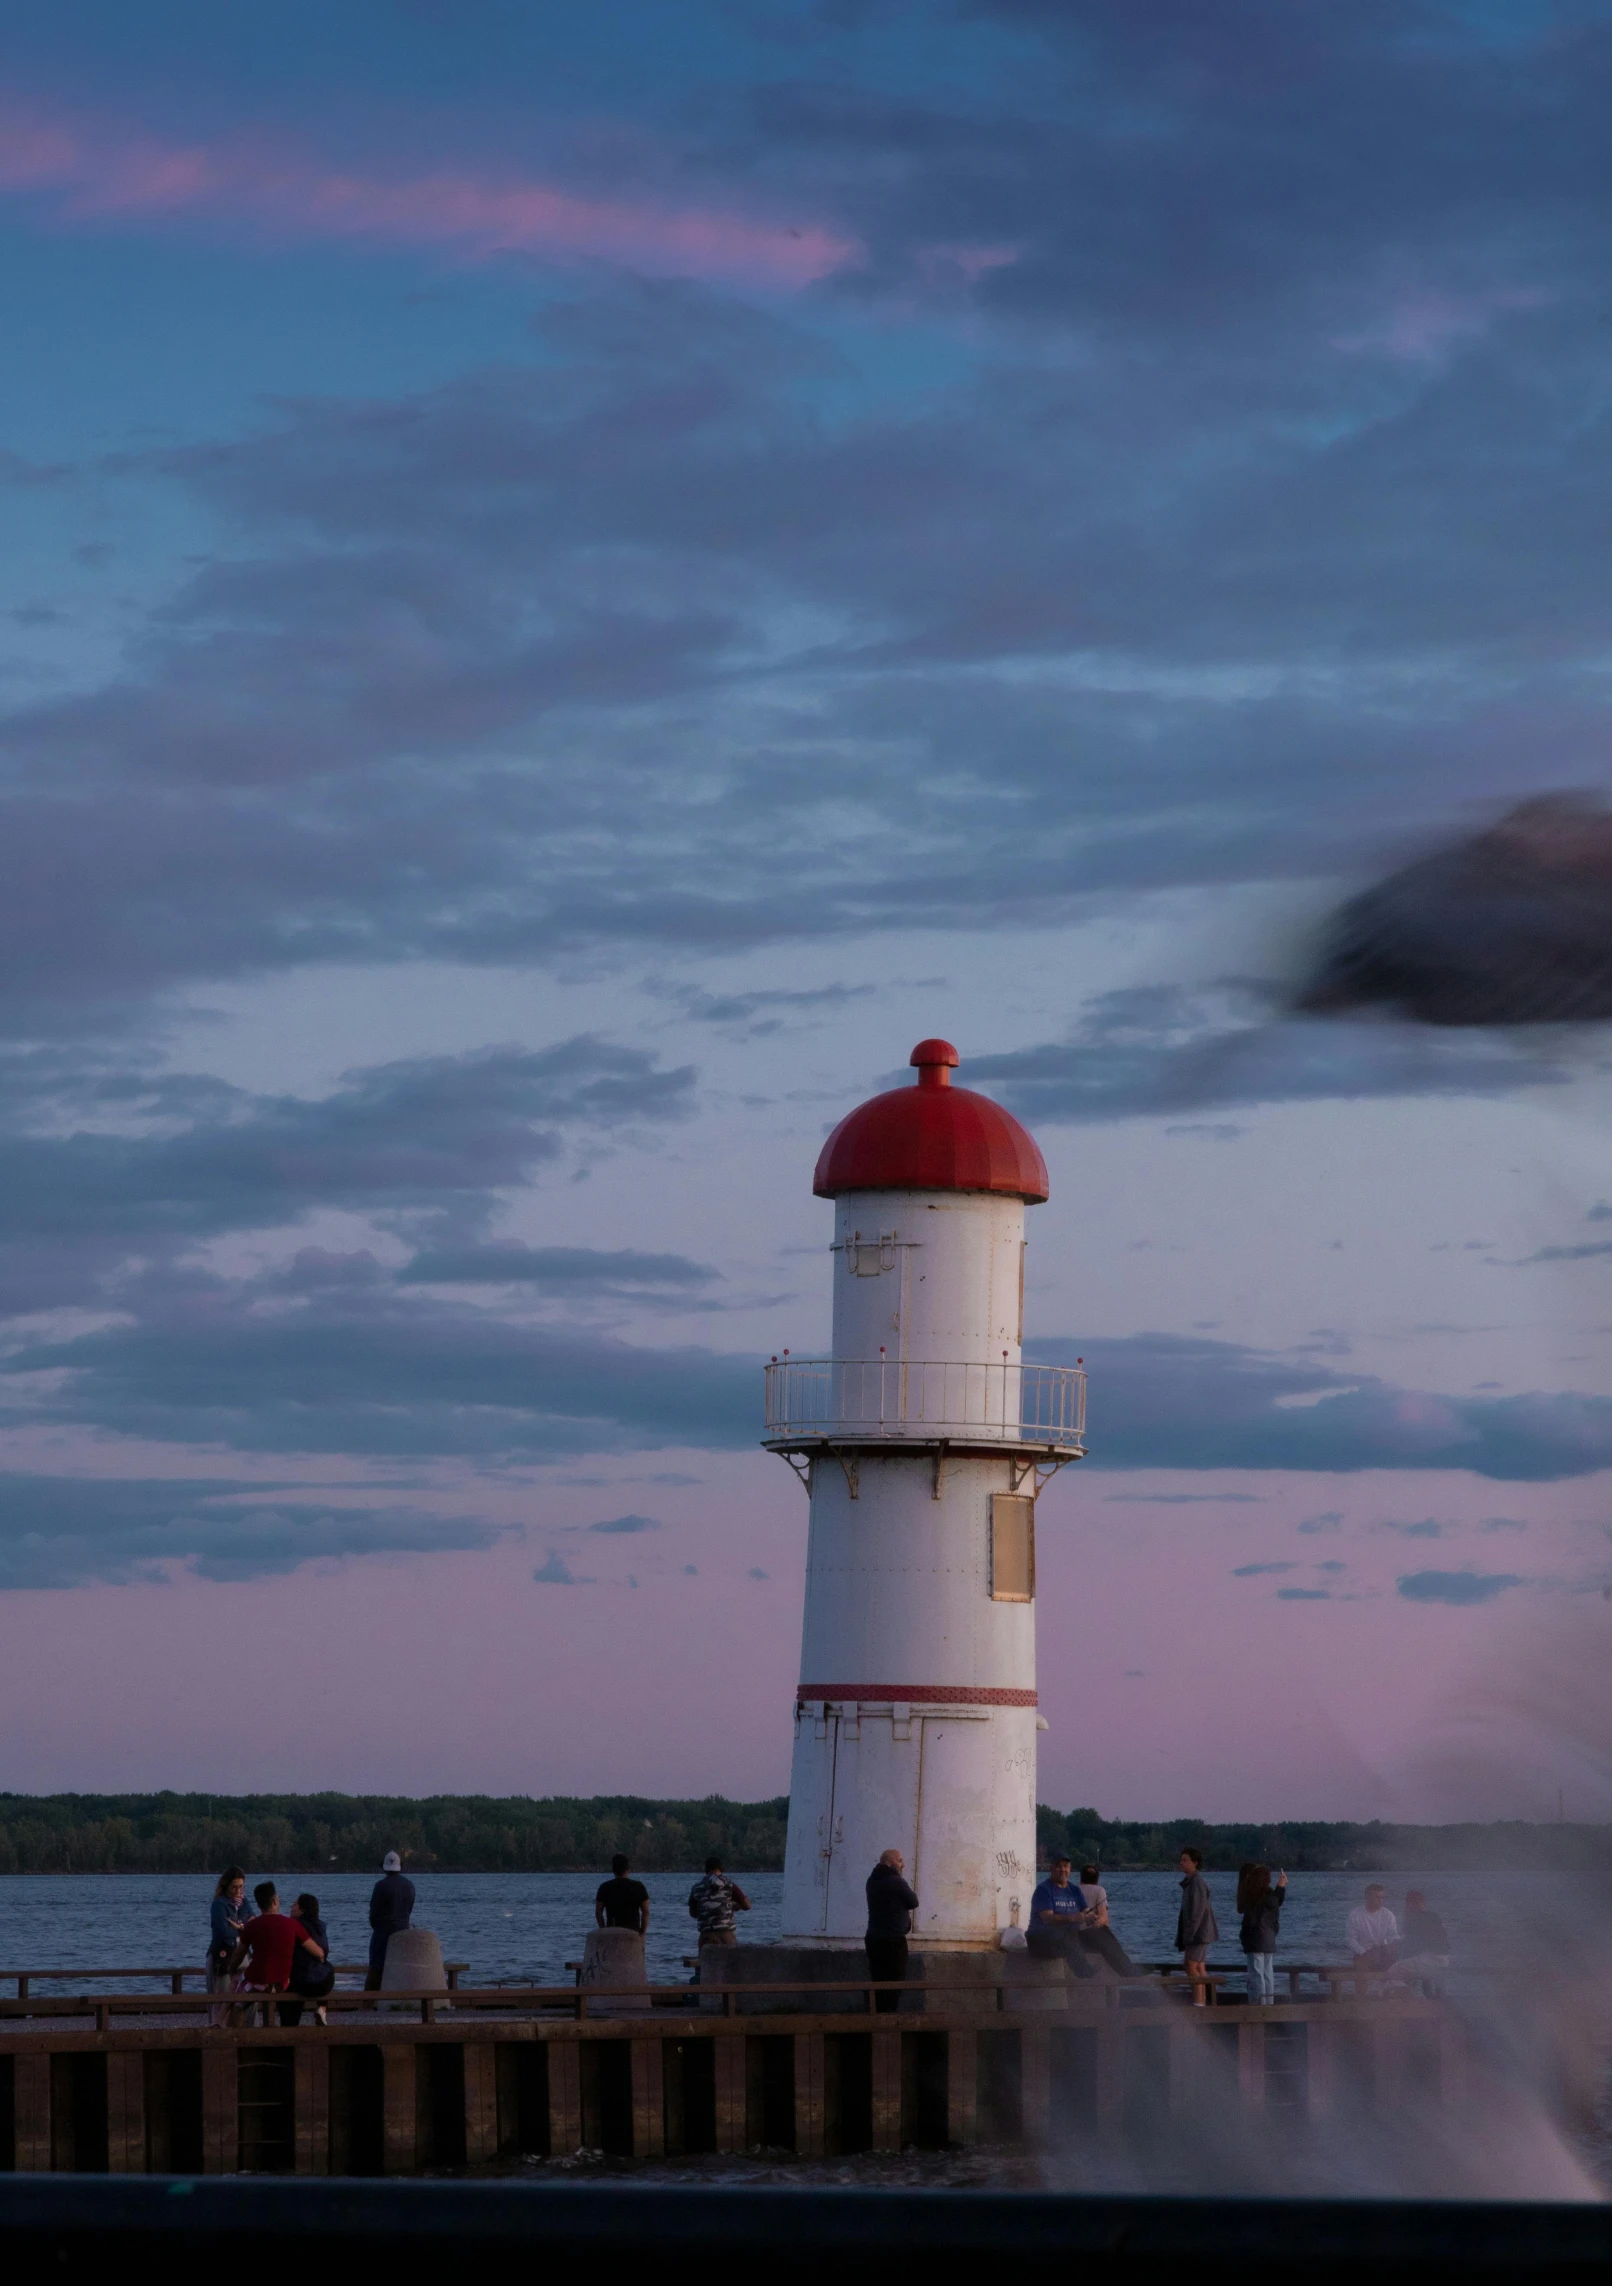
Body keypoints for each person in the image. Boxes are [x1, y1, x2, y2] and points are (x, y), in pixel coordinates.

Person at [229, 1881, 325, 2026]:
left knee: (237, 2006)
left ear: (259, 1904)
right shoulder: (292, 1924)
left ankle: (236, 2039)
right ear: (275, 1900)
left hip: (257, 1982)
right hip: (282, 1983)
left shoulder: (252, 1926)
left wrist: (230, 1970)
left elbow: (238, 1955)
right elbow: (318, 1953)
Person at [865, 1847, 918, 2012]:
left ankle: (877, 2020)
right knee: (895, 1982)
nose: (903, 1864)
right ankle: (889, 2021)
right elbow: (913, 1901)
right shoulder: (896, 1881)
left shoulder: (871, 1881)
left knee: (879, 1980)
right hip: (893, 1941)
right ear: (889, 1862)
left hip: (873, 1939)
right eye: (900, 1860)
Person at [1027, 1855, 1097, 1977]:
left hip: (1064, 1937)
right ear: (1051, 1869)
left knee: (1101, 1933)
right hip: (1039, 1941)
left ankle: (1130, 1973)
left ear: (1070, 1869)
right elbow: (1048, 1919)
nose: (1062, 1869)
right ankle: (1085, 1973)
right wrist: (1075, 1917)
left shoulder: (1075, 1890)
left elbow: (1086, 1910)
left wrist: (1091, 1916)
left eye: (1065, 1866)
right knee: (1064, 1932)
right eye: (1058, 1866)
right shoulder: (1043, 1890)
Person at [1236, 1861, 1288, 2005]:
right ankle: (1268, 2006)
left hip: (1255, 1940)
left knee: (1256, 1976)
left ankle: (1257, 2007)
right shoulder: (1271, 1896)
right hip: (1269, 1940)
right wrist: (1281, 1887)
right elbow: (1276, 1901)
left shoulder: (1254, 1897)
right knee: (1267, 1975)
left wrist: (1244, 1937)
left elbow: (1250, 1921)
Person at [284, 1893, 336, 2027]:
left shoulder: (294, 1925)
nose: (291, 1907)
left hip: (300, 1983)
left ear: (302, 1910)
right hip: (322, 1984)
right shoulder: (321, 1926)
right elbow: (324, 1954)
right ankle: (322, 2008)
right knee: (327, 1967)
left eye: (295, 1904)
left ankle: (290, 2029)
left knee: (293, 1977)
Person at [366, 1849, 415, 1991]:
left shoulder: (380, 1886)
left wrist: (375, 1925)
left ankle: (368, 2003)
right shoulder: (410, 1885)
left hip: (383, 1932)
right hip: (403, 1929)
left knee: (376, 1967)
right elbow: (409, 1909)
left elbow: (374, 1912)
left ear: (384, 1868)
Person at [1075, 1862, 1135, 1978]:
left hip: (1074, 1938)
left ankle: (1127, 1970)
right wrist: (1099, 1921)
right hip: (1091, 1938)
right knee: (1107, 1934)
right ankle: (1127, 1970)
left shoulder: (1073, 1890)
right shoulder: (1099, 1890)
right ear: (1097, 1879)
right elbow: (1104, 1918)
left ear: (1081, 1878)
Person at [208, 1866, 250, 2027]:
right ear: (226, 1886)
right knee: (222, 1994)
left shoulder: (244, 1902)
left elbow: (251, 1920)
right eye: (234, 1887)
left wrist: (240, 1926)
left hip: (242, 1953)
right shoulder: (219, 1904)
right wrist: (240, 1929)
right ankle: (217, 2027)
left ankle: (239, 2028)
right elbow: (221, 1932)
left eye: (241, 1886)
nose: (238, 1890)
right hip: (223, 1954)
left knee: (241, 1995)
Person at [1176, 1847, 1218, 2006]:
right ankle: (1204, 2001)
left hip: (1199, 1933)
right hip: (1199, 1932)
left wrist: (1188, 1935)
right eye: (1181, 1860)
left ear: (1195, 1863)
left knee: (1191, 1965)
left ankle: (1200, 2003)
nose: (1181, 1863)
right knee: (1198, 1965)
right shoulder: (1190, 1883)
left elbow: (1197, 1912)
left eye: (1185, 1860)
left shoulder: (1197, 1883)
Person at [1393, 1889, 1452, 1995]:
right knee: (1419, 1962)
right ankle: (1434, 1998)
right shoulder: (1433, 1916)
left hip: (1433, 1958)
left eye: (1409, 1904)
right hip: (1443, 1958)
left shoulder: (1418, 1919)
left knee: (1396, 1969)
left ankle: (1405, 1994)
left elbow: (1414, 1943)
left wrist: (1396, 1946)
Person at [687, 1856, 751, 1950]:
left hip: (706, 1938)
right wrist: (733, 1906)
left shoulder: (696, 1888)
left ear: (705, 1870)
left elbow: (693, 1913)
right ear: (722, 1869)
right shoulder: (729, 1884)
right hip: (726, 1937)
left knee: (705, 1963)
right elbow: (747, 1906)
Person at [1345, 1882, 1400, 1982]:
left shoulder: (1388, 1915)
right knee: (1361, 1966)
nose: (1380, 1901)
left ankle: (1387, 1993)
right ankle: (1361, 1996)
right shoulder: (1355, 1915)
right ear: (1367, 1897)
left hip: (1382, 1952)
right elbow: (1351, 1941)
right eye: (1377, 1898)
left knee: (1398, 1964)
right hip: (1363, 1952)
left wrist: (1393, 1945)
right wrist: (1363, 1952)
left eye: (1381, 1898)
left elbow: (1392, 1936)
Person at [595, 1854, 650, 1934]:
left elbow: (598, 1912)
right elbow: (646, 1912)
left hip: (612, 1932)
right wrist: (642, 1933)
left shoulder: (604, 1888)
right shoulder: (639, 1887)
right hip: (633, 1932)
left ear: (613, 1869)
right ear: (628, 1869)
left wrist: (603, 1929)